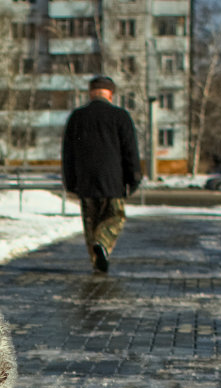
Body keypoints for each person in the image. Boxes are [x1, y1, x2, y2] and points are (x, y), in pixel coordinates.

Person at [61, 75, 142, 274]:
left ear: (90, 93)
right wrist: (134, 177)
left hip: (85, 182)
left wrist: (70, 181)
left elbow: (68, 153)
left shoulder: (77, 117)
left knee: (91, 223)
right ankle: (102, 244)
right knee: (115, 217)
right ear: (111, 94)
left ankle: (97, 261)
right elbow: (130, 150)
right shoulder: (120, 116)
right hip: (113, 181)